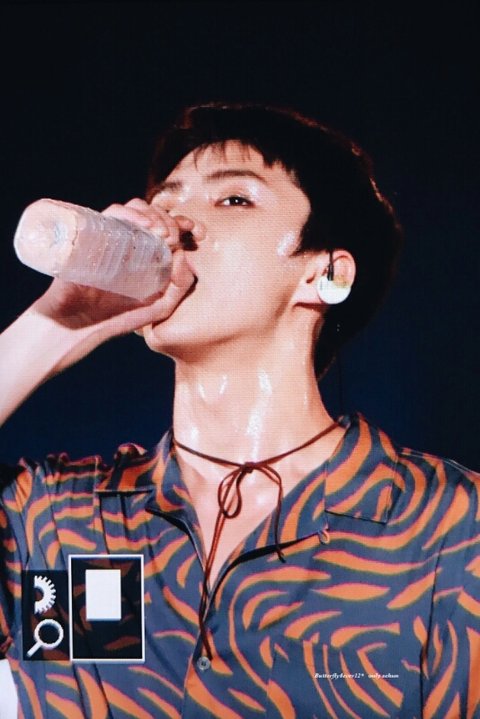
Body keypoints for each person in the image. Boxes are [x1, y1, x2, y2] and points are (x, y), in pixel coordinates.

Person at [0, 102, 478, 719]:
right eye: (166, 200)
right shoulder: (59, 516)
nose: (175, 222)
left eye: (233, 200)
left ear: (327, 273)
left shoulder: (449, 527)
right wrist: (54, 326)